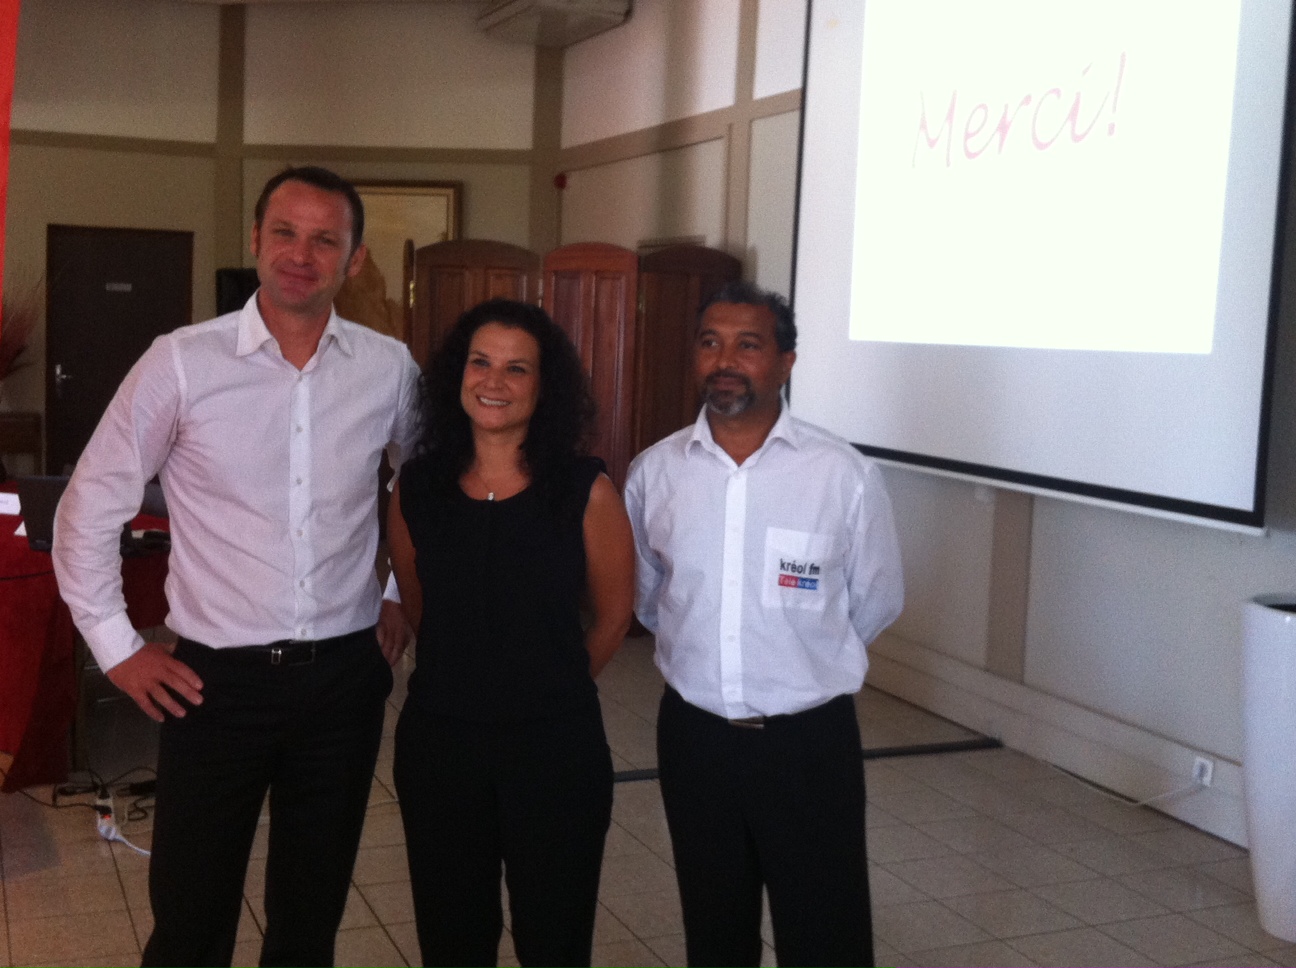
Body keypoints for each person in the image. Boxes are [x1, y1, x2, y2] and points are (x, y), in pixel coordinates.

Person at [53, 165, 421, 968]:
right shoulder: (183, 362)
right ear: (254, 241)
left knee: (311, 915)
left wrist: (399, 590)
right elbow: (87, 506)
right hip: (215, 686)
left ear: (354, 260)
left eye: (326, 238)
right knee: (190, 917)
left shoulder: (389, 368)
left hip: (344, 683)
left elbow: (428, 492)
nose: (302, 253)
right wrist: (117, 647)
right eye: (285, 232)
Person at [624, 281, 904, 968]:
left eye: (748, 345)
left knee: (826, 931)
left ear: (786, 362)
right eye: (710, 342)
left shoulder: (842, 475)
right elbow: (650, 598)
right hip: (696, 739)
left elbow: (876, 598)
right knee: (714, 928)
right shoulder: (655, 474)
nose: (726, 360)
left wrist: (799, 661)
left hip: (808, 744)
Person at [386, 298, 635, 968]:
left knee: (554, 939)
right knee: (452, 937)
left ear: (544, 386)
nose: (494, 381)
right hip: (441, 748)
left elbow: (615, 616)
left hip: (555, 751)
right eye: (481, 363)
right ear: (456, 375)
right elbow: (418, 604)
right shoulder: (417, 488)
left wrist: (551, 686)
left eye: (517, 368)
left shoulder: (585, 489)